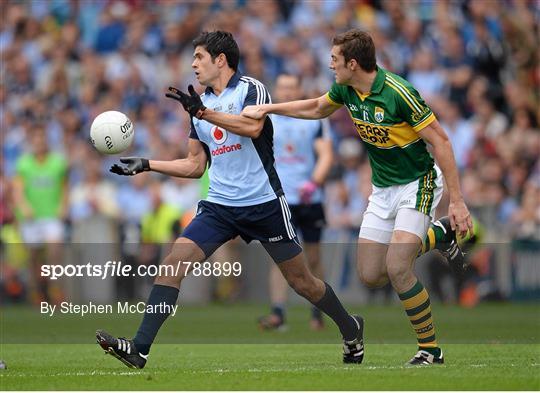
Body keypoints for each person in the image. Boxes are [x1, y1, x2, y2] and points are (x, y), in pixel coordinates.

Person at [96, 31, 364, 369]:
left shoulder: (250, 89)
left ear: (220, 60)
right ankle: (139, 349)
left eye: (199, 57)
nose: (192, 64)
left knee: (302, 283)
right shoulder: (199, 106)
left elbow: (251, 128)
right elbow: (195, 165)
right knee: (172, 264)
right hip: (220, 206)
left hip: (264, 203)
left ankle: (350, 327)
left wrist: (204, 113)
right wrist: (147, 164)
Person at [242, 29, 474, 365]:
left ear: (353, 63)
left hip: (417, 183)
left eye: (334, 60)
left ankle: (430, 349)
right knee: (371, 273)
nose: (330, 65)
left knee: (397, 267)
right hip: (382, 190)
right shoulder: (345, 88)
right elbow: (318, 107)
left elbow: (441, 142)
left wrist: (457, 200)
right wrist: (269, 109)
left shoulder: (399, 93)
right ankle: (438, 236)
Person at [257, 73, 333, 331]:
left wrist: (315, 182)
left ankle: (318, 311)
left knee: (313, 257)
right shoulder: (268, 120)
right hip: (278, 199)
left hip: (309, 199)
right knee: (280, 258)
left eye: (291, 87)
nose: (287, 92)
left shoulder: (313, 120)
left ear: (300, 89)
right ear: (276, 90)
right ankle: (278, 312)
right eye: (282, 87)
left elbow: (325, 154)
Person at [13, 127, 68, 304]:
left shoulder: (58, 162)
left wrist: (63, 206)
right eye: (36, 139)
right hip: (31, 217)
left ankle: (55, 289)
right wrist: (23, 206)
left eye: (42, 139)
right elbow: (18, 190)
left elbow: (65, 187)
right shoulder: (24, 164)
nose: (39, 143)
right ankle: (36, 291)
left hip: (51, 215)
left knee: (54, 251)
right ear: (32, 142)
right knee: (33, 256)